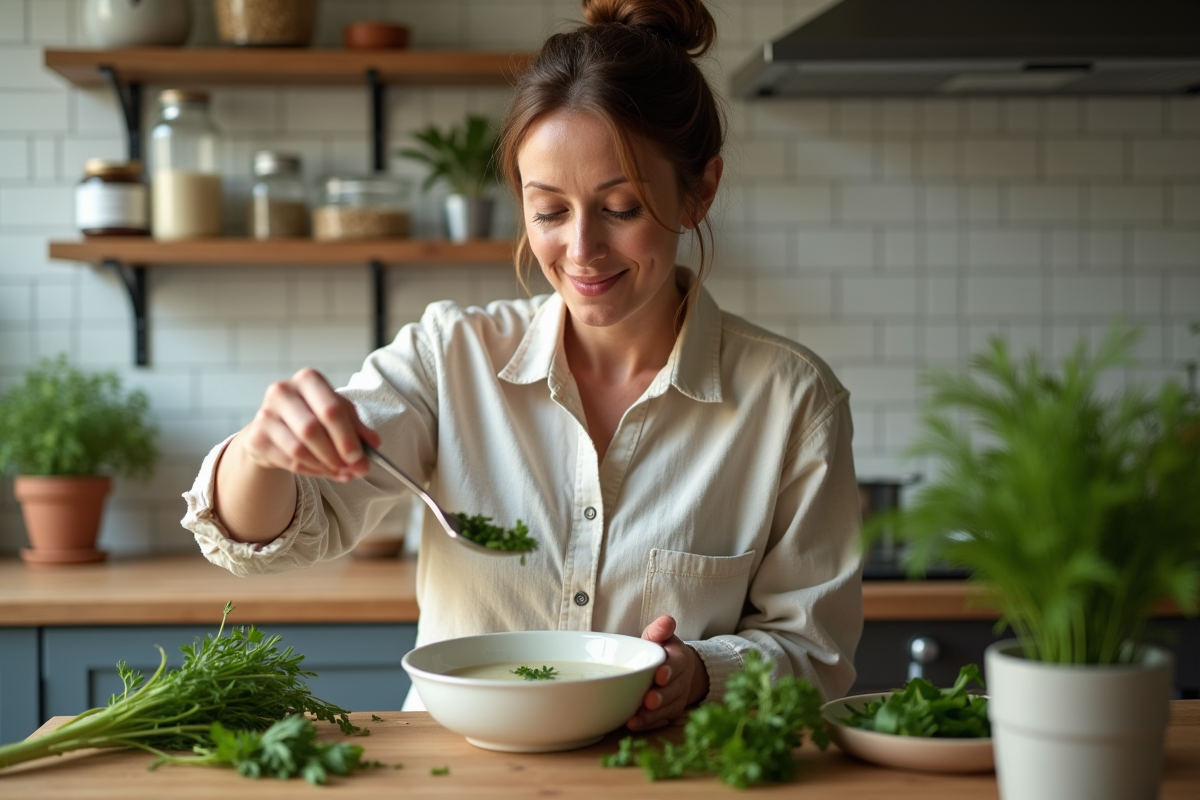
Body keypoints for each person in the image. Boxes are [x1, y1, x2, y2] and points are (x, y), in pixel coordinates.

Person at [182, 0, 862, 731]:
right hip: (456, 775)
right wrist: (262, 452)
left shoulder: (793, 400)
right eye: (549, 212)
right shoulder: (450, 357)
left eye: (622, 207)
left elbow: (813, 654)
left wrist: (700, 674)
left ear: (700, 190)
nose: (581, 250)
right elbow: (268, 540)